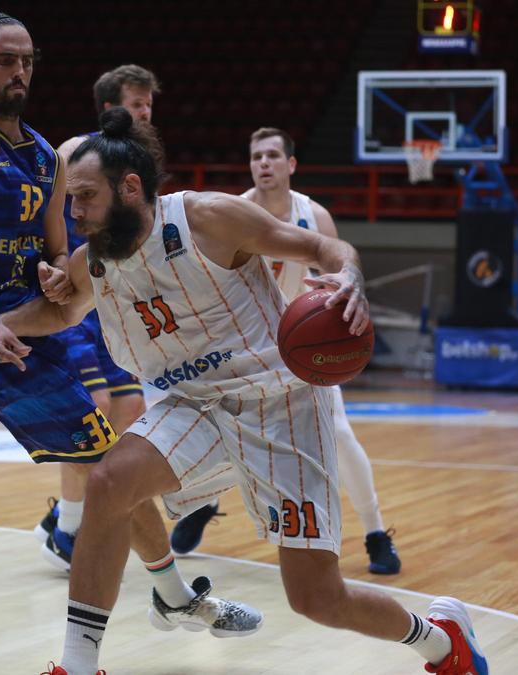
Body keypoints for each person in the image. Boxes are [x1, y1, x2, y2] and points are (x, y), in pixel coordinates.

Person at [0, 109, 487, 675]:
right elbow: (60, 310)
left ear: (129, 188)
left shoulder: (209, 218)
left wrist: (350, 278)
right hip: (194, 405)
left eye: (86, 197)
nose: (74, 212)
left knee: (316, 597)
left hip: (282, 406)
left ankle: (441, 642)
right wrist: (2, 323)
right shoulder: (92, 260)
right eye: (71, 199)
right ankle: (78, 665)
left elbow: (326, 250)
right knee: (108, 481)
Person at [0, 6, 258, 674]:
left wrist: (52, 278)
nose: (21, 71)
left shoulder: (45, 159)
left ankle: (174, 594)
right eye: (7, 59)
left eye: (29, 59)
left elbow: (60, 262)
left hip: (23, 341)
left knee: (111, 473)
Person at [168, 127, 401, 575]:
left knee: (339, 434)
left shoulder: (314, 216)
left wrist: (348, 299)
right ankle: (205, 502)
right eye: (257, 156)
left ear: (291, 165)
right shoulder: (231, 212)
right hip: (246, 345)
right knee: (227, 431)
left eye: (274, 155)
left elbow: (339, 269)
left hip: (305, 346)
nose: (264, 163)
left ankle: (374, 531)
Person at [35, 64, 159, 571]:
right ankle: (68, 529)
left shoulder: (138, 163)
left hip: (118, 304)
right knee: (94, 410)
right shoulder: (75, 151)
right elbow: (35, 206)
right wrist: (49, 258)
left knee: (129, 413)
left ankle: (65, 516)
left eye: (149, 105)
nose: (146, 113)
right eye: (136, 104)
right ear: (110, 108)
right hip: (78, 299)